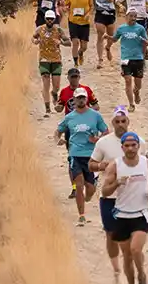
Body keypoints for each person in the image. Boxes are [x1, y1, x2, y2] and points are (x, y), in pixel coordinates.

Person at [90, 106, 148, 284]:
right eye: (117, 121)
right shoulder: (103, 143)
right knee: (111, 235)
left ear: (128, 122)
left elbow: (147, 166)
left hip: (134, 198)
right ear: (112, 123)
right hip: (110, 198)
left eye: (124, 121)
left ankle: (133, 270)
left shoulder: (139, 142)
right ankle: (117, 272)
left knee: (133, 239)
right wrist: (103, 166)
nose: (121, 124)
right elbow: (91, 165)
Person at [100, 131, 148, 284]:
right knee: (126, 256)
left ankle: (141, 276)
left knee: (135, 249)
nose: (131, 148)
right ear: (122, 147)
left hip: (141, 214)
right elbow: (104, 192)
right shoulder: (115, 166)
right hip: (121, 215)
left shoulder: (146, 164)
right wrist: (117, 183)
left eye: (134, 145)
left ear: (138, 146)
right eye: (127, 145)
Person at [55, 88, 109, 227]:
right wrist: (58, 139)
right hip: (75, 154)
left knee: (90, 190)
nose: (81, 100)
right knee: (79, 185)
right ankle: (81, 216)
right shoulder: (69, 117)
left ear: (86, 99)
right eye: (79, 98)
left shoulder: (95, 116)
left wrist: (97, 139)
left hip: (91, 156)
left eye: (83, 98)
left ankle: (90, 191)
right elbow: (58, 131)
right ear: (74, 99)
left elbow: (106, 131)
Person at [57, 68, 99, 199]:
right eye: (72, 77)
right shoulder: (64, 92)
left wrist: (88, 112)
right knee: (72, 159)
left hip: (87, 128)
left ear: (79, 77)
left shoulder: (86, 90)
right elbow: (59, 106)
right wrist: (58, 107)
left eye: (76, 76)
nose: (74, 79)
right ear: (68, 78)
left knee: (88, 156)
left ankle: (91, 180)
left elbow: (96, 105)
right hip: (71, 129)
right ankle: (75, 187)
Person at [108, 10, 148, 111]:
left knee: (138, 83)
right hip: (125, 58)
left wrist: (144, 41)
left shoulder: (140, 28)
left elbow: (147, 42)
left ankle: (136, 92)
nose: (133, 18)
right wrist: (107, 38)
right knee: (128, 81)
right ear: (126, 16)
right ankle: (131, 104)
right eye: (131, 16)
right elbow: (114, 39)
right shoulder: (122, 28)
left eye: (135, 16)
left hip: (138, 58)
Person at [32, 12, 68, 115]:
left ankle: (54, 93)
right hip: (44, 60)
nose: (49, 21)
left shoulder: (58, 30)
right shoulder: (40, 29)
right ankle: (47, 108)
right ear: (45, 18)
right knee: (46, 83)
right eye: (48, 19)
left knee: (56, 86)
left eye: (51, 19)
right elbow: (33, 37)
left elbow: (68, 42)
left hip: (56, 60)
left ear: (54, 19)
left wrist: (60, 42)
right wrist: (35, 41)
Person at [90, 0, 122, 68]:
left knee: (110, 35)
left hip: (110, 11)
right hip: (100, 11)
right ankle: (100, 60)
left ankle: (108, 48)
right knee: (100, 33)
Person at [64, 0, 94, 67]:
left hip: (84, 22)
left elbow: (92, 6)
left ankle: (80, 53)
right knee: (75, 42)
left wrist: (89, 14)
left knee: (84, 46)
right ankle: (75, 62)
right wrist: (66, 9)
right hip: (73, 21)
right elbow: (66, 5)